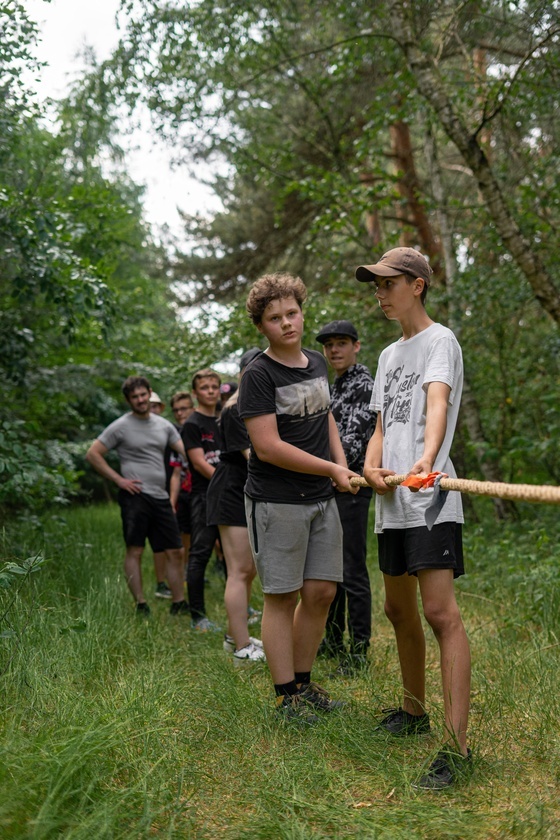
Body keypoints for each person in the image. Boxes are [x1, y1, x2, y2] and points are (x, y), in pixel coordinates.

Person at [357, 246, 471, 790]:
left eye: (388, 284)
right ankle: (414, 712)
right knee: (397, 610)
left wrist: (426, 460)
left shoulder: (439, 340)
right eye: (376, 286)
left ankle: (456, 747)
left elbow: (436, 403)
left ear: (417, 285)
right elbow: (382, 426)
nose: (380, 294)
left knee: (438, 613)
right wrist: (371, 463)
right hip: (392, 501)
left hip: (430, 497)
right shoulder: (385, 356)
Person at [237, 272, 360, 723]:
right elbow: (267, 447)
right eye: (275, 318)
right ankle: (284, 695)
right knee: (282, 596)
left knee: (323, 592)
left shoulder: (315, 363)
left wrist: (341, 463)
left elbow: (324, 417)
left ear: (302, 312)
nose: (287, 323)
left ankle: (304, 685)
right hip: (276, 500)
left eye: (292, 313)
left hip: (321, 496)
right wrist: (331, 468)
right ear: (261, 326)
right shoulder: (258, 375)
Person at [85, 376, 190, 617]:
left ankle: (178, 602)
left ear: (150, 393)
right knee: (136, 550)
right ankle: (141, 604)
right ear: (128, 400)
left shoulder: (164, 426)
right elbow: (93, 454)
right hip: (135, 498)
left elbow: (186, 451)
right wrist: (119, 480)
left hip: (161, 497)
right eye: (135, 397)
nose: (140, 400)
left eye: (143, 395)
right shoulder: (120, 426)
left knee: (175, 550)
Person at [315, 320, 376, 674]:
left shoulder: (364, 386)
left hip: (352, 486)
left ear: (356, 346)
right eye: (328, 345)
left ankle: (359, 651)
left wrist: (315, 463)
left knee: (352, 569)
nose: (334, 350)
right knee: (331, 569)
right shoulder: (334, 387)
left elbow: (353, 444)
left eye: (341, 343)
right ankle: (334, 639)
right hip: (331, 484)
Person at [206, 348, 266, 663]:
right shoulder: (234, 409)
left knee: (248, 569)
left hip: (244, 490)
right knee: (239, 570)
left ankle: (235, 635)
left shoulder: (252, 404)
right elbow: (253, 456)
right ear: (245, 373)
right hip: (230, 492)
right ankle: (240, 648)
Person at [181, 368, 223, 632]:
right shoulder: (192, 424)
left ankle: (243, 607)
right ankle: (197, 616)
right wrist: (227, 483)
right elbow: (199, 463)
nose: (210, 391)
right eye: (204, 387)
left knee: (233, 554)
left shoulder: (223, 418)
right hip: (203, 497)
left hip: (226, 497)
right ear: (195, 393)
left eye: (214, 386)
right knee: (200, 554)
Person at [148, 391, 175, 599]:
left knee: (176, 542)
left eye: (156, 406)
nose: (152, 409)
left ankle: (179, 581)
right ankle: (160, 582)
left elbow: (176, 468)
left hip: (171, 492)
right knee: (157, 542)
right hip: (150, 493)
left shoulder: (168, 431)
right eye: (150, 405)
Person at [169, 391, 195, 568]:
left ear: (192, 408)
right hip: (187, 492)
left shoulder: (205, 428)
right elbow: (176, 473)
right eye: (176, 410)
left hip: (207, 490)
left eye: (184, 409)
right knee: (185, 531)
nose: (180, 413)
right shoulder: (177, 437)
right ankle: (188, 568)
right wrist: (172, 501)